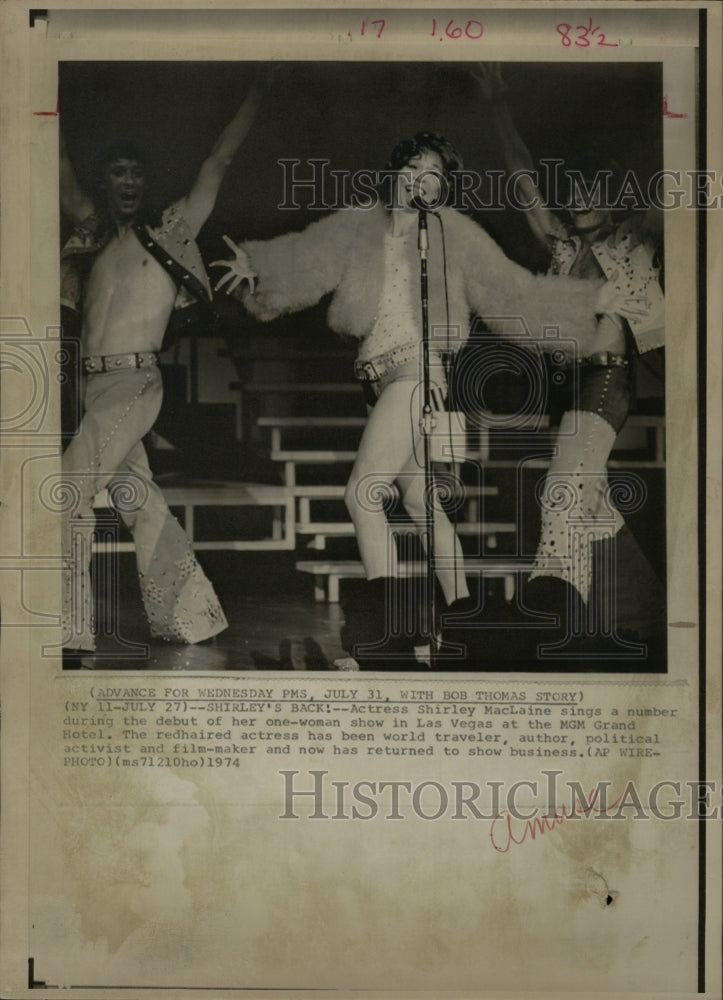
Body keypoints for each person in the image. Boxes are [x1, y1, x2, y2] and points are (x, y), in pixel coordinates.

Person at [213, 131, 608, 669]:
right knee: (424, 506)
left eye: (435, 175)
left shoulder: (452, 234)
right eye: (414, 168)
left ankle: (388, 637)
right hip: (379, 381)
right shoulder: (360, 224)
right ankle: (464, 627)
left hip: (417, 376)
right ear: (396, 170)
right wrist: (258, 269)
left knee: (362, 496)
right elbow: (307, 259)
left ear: (442, 188)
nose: (421, 180)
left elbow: (512, 289)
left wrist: (590, 306)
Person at [59, 72, 270, 666]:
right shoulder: (93, 233)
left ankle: (70, 631)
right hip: (92, 384)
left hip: (134, 380)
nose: (129, 182)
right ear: (107, 181)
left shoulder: (168, 231)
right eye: (118, 172)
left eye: (137, 172)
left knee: (69, 488)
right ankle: (194, 615)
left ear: (146, 181)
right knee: (137, 497)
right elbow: (60, 166)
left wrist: (260, 87)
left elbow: (219, 159)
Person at [471, 64, 666, 658]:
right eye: (575, 189)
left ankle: (554, 609)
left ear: (615, 199)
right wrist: (498, 100)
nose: (579, 199)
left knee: (560, 491)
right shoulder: (562, 246)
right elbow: (524, 177)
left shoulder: (636, 238)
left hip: (608, 384)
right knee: (591, 502)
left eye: (594, 191)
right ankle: (645, 617)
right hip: (570, 385)